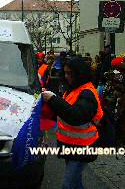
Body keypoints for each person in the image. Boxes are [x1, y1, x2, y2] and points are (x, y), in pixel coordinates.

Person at [41, 57, 103, 189]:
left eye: (70, 73)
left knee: (68, 185)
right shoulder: (74, 89)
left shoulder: (87, 93)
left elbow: (75, 116)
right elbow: (63, 112)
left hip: (82, 147)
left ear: (78, 73)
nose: (66, 76)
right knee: (75, 183)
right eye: (65, 72)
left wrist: (53, 99)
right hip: (72, 145)